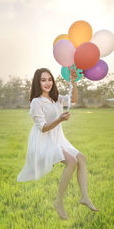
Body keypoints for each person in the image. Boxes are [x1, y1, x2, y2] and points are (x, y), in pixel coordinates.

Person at [17, 67, 99, 219]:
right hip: (43, 141)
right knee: (72, 161)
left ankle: (84, 197)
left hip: (57, 138)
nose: (47, 83)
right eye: (43, 80)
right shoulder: (37, 102)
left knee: (81, 158)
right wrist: (60, 119)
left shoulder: (55, 98)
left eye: (49, 79)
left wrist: (73, 83)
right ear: (37, 82)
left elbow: (73, 99)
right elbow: (43, 128)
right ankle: (59, 202)